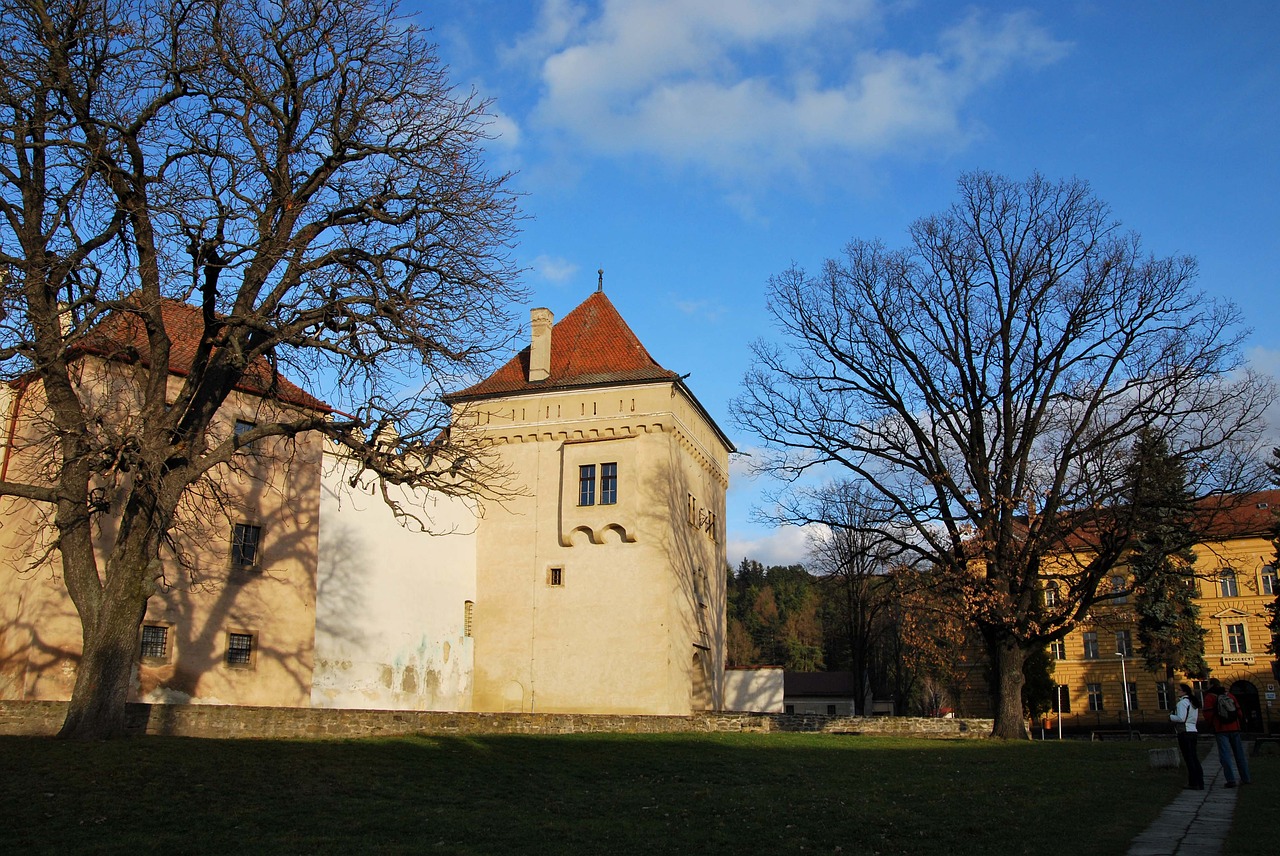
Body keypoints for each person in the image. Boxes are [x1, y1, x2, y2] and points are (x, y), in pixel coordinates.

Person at [1203, 678, 1251, 788]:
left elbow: (1207, 714)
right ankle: (1246, 778)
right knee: (1239, 754)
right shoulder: (1229, 695)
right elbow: (1239, 712)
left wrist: (1211, 725)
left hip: (1221, 729)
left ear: (1211, 685)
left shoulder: (1210, 697)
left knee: (1225, 755)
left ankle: (1231, 780)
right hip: (1235, 728)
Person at [1170, 683, 1203, 789]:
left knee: (1189, 758)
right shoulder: (1193, 702)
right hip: (1193, 730)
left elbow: (1181, 718)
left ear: (1184, 692)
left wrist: (1170, 717)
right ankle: (1200, 781)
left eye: (1179, 690)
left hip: (1185, 732)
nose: (1177, 691)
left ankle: (1193, 782)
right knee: (1194, 757)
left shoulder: (1182, 703)